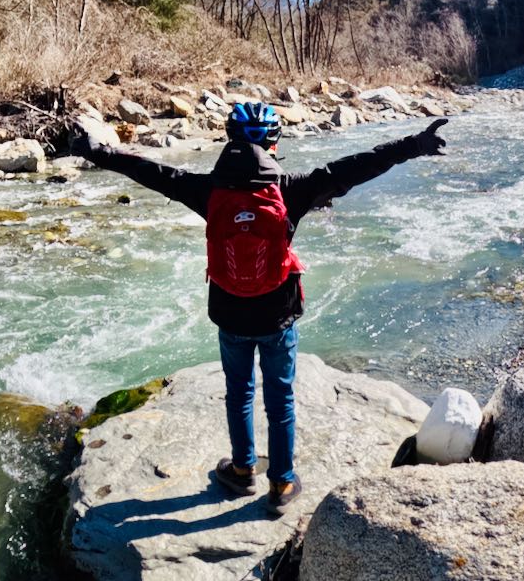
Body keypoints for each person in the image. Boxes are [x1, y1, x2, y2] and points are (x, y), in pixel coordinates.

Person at [68, 102, 448, 515]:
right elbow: (356, 167)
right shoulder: (292, 188)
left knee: (239, 393)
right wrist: (415, 144)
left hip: (230, 313)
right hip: (277, 315)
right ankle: (282, 483)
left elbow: (148, 171)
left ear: (230, 140)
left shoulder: (206, 190)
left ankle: (242, 469)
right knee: (280, 399)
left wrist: (94, 150)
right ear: (273, 144)